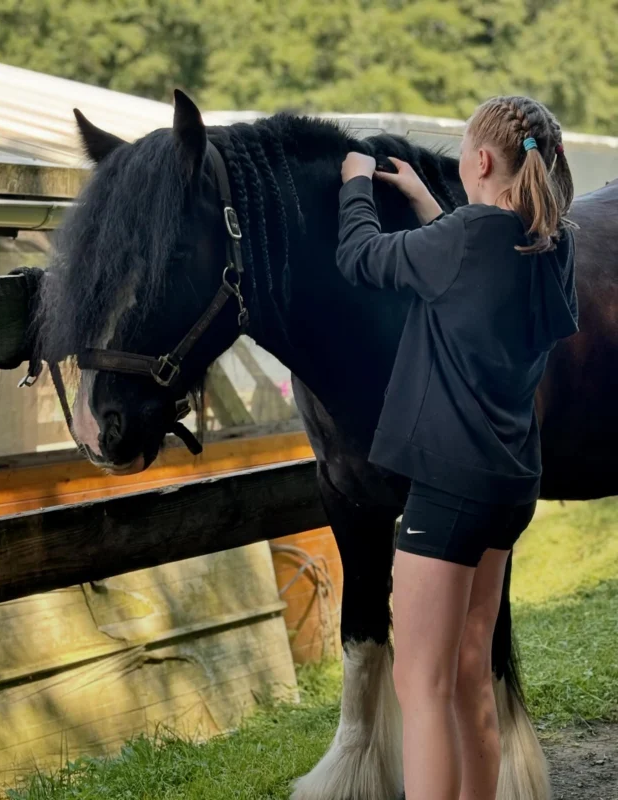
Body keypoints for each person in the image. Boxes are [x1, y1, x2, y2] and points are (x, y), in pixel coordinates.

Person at [336, 95, 578, 800]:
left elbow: (358, 256)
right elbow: (472, 262)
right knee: (471, 668)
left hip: (448, 492)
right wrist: (422, 201)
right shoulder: (550, 242)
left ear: (478, 160)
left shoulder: (467, 240)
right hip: (510, 489)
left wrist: (356, 181)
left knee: (421, 681)